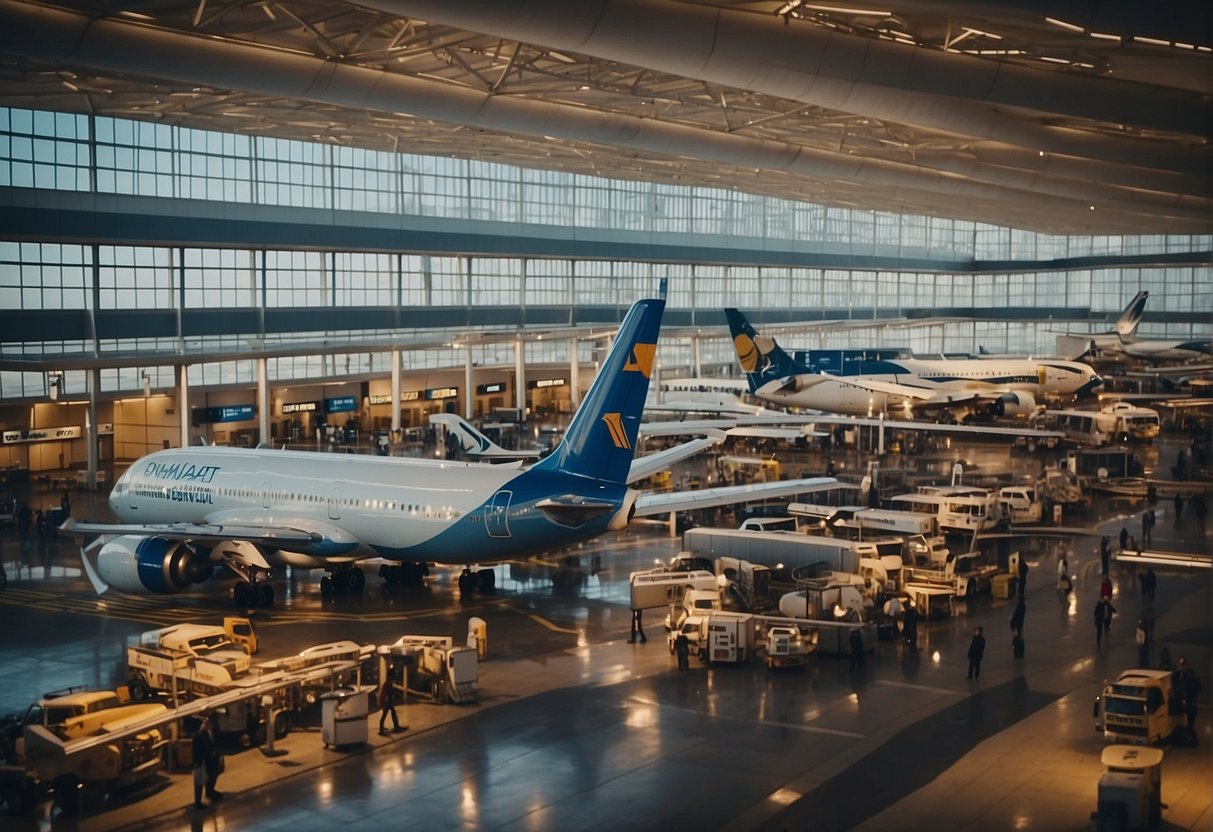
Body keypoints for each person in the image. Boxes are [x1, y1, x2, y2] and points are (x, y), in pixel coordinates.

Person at [192, 715, 222, 809]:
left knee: (213, 775)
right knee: (199, 782)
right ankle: (198, 802)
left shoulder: (212, 731)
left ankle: (210, 792)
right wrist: (197, 763)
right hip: (202, 761)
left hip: (212, 758)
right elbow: (196, 751)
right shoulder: (199, 735)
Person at [1176, 656, 1201, 745]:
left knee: (1190, 723)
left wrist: (1191, 700)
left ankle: (1192, 740)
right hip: (1183, 703)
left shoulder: (1191, 678)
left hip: (1190, 703)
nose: (1182, 667)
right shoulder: (1178, 675)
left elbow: (1196, 688)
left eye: (1184, 665)